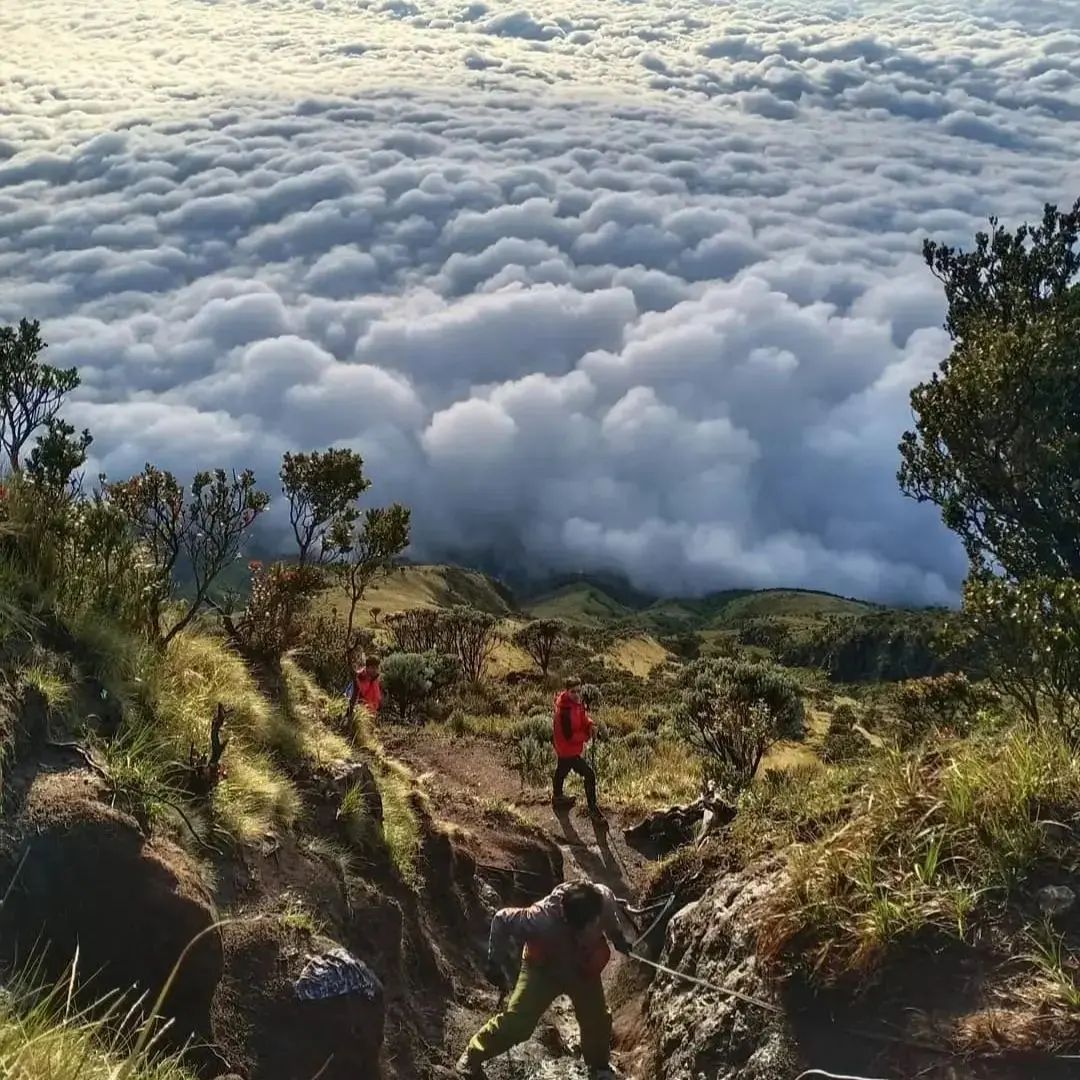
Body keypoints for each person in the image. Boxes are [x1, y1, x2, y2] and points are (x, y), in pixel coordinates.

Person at [457, 880, 631, 1079]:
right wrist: (494, 962)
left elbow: (611, 922)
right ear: (566, 918)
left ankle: (599, 1067)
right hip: (542, 969)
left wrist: (618, 939)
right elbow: (501, 919)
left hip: (582, 967)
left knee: (597, 1020)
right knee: (519, 1023)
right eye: (582, 929)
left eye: (593, 923)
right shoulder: (540, 918)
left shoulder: (604, 899)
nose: (588, 931)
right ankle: (473, 1055)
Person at [552, 677, 602, 818]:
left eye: (578, 691)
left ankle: (557, 797)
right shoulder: (565, 710)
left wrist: (590, 724)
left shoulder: (575, 703)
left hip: (565, 749)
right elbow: (570, 737)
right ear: (567, 691)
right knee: (589, 774)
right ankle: (592, 808)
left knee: (562, 769)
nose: (576, 694)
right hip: (567, 749)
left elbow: (583, 718)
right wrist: (586, 736)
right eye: (573, 691)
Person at [348, 654, 382, 719]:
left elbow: (377, 698)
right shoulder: (360, 677)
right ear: (367, 667)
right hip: (360, 716)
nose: (375, 670)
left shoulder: (376, 680)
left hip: (372, 716)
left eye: (376, 668)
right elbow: (353, 696)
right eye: (372, 668)